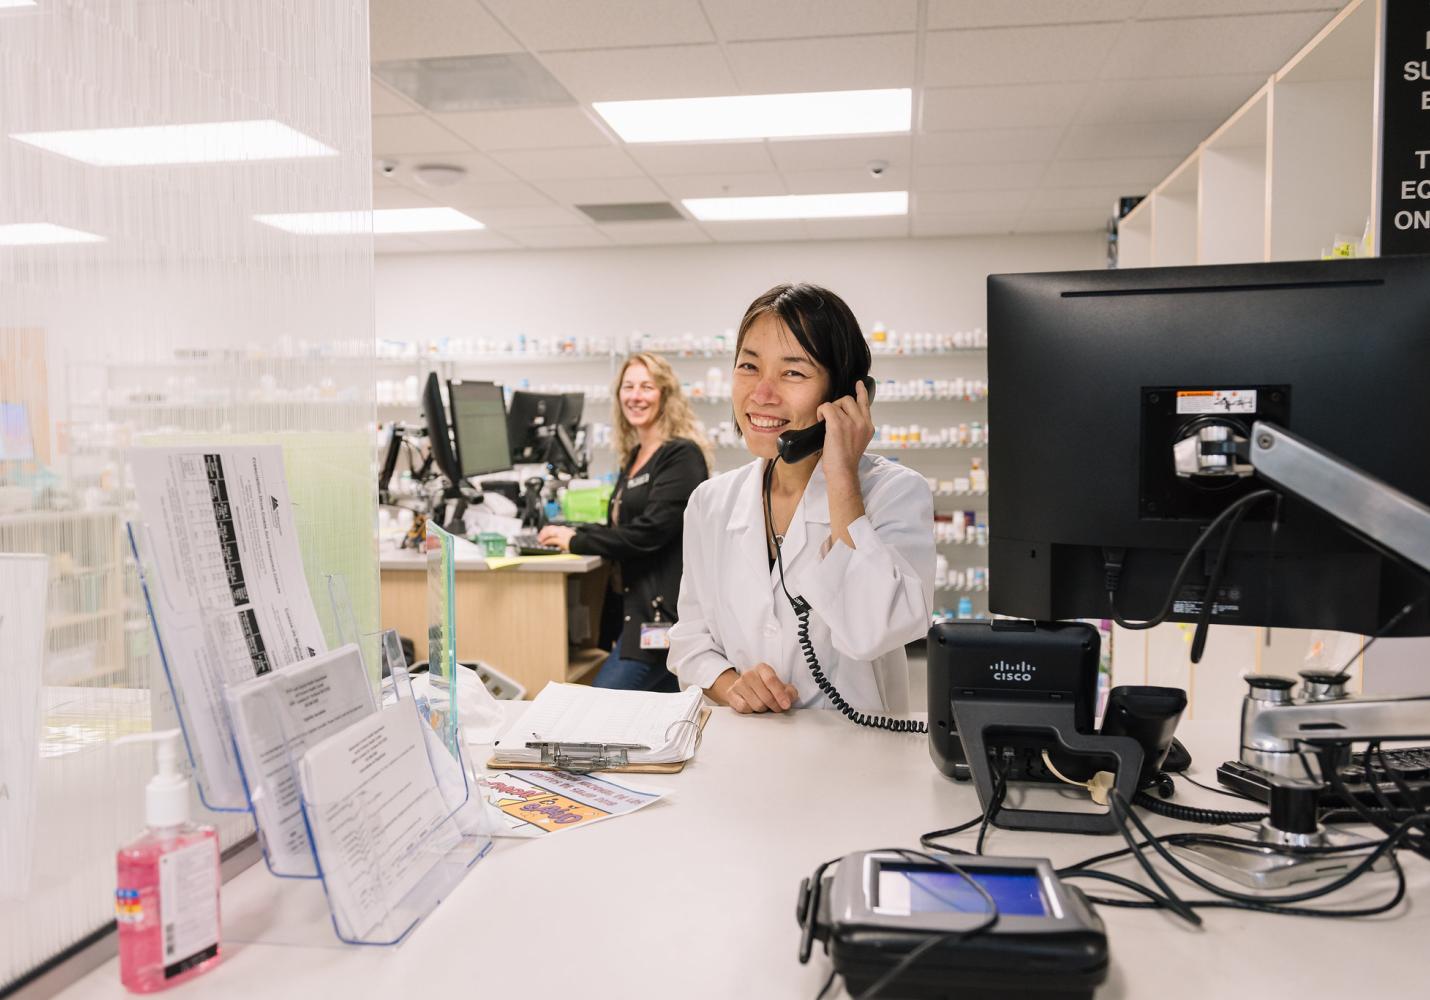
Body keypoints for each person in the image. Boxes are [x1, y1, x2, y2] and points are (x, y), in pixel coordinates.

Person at [668, 283, 934, 715]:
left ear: (846, 393)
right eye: (749, 366)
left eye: (793, 372)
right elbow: (689, 640)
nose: (762, 393)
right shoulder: (709, 503)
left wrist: (841, 475)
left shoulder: (895, 493)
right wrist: (733, 685)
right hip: (746, 752)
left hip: (857, 760)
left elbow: (873, 632)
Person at [538, 353, 711, 691]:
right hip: (633, 616)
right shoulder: (635, 455)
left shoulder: (681, 455)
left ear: (665, 394)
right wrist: (576, 532)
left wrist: (576, 541)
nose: (636, 396)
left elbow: (650, 532)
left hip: (660, 620)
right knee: (657, 721)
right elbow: (624, 527)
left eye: (647, 387)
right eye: (628, 387)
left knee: (599, 706)